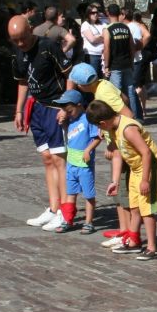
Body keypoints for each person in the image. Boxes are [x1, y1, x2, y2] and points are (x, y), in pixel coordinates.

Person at [8, 15, 73, 230]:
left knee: (58, 158)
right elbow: (23, 82)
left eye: (23, 38)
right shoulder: (18, 53)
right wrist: (18, 110)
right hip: (35, 107)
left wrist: (67, 105)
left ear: (31, 30)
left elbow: (68, 74)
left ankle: (66, 210)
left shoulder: (48, 47)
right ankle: (53, 208)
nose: (20, 44)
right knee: (46, 158)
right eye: (14, 40)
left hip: (54, 107)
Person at [86, 100, 157, 261]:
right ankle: (134, 241)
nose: (100, 131)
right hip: (136, 169)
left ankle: (152, 247)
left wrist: (145, 180)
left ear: (103, 122)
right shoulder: (114, 129)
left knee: (146, 208)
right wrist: (114, 182)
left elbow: (146, 153)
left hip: (149, 169)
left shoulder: (128, 129)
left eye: (99, 127)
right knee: (134, 206)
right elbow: (117, 155)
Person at [67, 63, 134, 247]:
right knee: (118, 191)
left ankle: (128, 233)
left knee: (121, 190)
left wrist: (113, 142)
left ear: (82, 85)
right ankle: (123, 229)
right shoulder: (104, 84)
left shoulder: (102, 93)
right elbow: (125, 98)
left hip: (122, 146)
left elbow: (127, 114)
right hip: (117, 143)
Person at [51, 89, 101, 234]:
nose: (67, 112)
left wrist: (88, 150)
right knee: (71, 193)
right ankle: (68, 219)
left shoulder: (88, 119)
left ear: (79, 105)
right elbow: (69, 137)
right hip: (71, 163)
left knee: (88, 194)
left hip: (84, 164)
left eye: (70, 110)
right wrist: (64, 124)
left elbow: (97, 137)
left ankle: (89, 222)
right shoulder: (70, 120)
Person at [103, 4, 136, 116]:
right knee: (130, 92)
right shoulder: (126, 28)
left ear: (108, 14)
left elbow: (106, 49)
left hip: (115, 66)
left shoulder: (107, 29)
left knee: (116, 93)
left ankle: (120, 116)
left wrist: (106, 65)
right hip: (127, 64)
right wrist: (131, 62)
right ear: (119, 14)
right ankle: (134, 116)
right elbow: (132, 47)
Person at [122, 8, 149, 122]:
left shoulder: (133, 26)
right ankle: (140, 112)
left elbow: (141, 39)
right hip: (132, 61)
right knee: (136, 87)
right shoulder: (129, 26)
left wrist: (135, 50)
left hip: (135, 60)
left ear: (123, 15)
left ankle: (138, 114)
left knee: (134, 88)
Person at [81, 4, 105, 79]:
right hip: (92, 55)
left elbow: (109, 36)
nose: (95, 14)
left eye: (97, 12)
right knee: (94, 78)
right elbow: (92, 40)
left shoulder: (102, 23)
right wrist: (103, 37)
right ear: (88, 14)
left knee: (103, 79)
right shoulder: (85, 25)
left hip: (103, 55)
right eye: (92, 13)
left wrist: (99, 37)